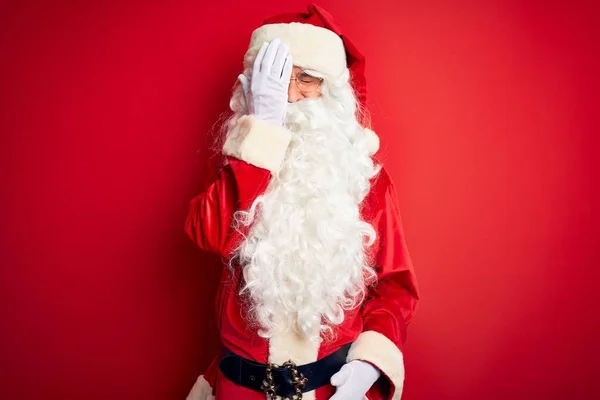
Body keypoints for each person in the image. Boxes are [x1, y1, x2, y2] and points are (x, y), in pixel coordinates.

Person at [185, 4, 419, 400]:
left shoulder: (363, 178)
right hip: (239, 389)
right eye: (275, 82)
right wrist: (264, 128)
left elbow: (396, 287)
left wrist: (369, 363)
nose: (290, 97)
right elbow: (209, 235)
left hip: (332, 389)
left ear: (332, 93)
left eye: (306, 79)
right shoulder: (237, 165)